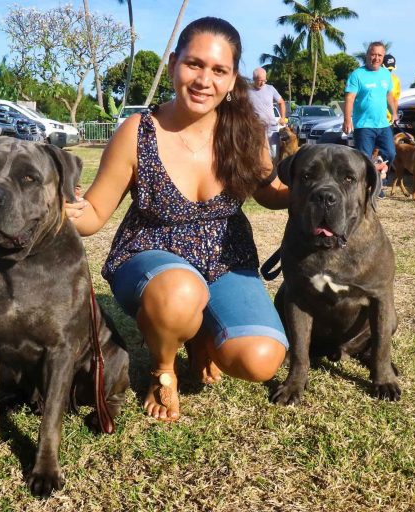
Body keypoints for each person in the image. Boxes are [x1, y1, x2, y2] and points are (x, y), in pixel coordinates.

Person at [65, 17, 289, 423]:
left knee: (260, 360)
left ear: (232, 78)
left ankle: (200, 334)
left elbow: (271, 195)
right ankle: (163, 367)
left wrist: (318, 187)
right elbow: (95, 213)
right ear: (173, 65)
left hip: (227, 260)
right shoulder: (138, 131)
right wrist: (61, 206)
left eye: (219, 70)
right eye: (194, 65)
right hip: (151, 260)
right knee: (181, 293)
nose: (205, 79)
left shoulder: (246, 133)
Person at [342, 41, 398, 197]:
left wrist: (394, 113)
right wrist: (347, 120)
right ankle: (367, 190)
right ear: (367, 55)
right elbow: (350, 98)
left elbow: (389, 96)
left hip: (383, 124)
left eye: (380, 55)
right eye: (373, 54)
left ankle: (379, 178)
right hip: (364, 125)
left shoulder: (386, 74)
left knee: (391, 153)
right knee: (364, 159)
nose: (376, 58)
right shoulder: (357, 75)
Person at [248, 67, 286, 159]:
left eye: (264, 80)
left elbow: (281, 102)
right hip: (257, 128)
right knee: (259, 156)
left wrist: (283, 117)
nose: (263, 83)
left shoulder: (270, 89)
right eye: (260, 80)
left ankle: (275, 173)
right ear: (254, 79)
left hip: (272, 127)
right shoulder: (247, 91)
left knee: (274, 155)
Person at [383, 54, 402, 123]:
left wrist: (394, 115)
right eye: (387, 68)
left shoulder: (396, 80)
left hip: (389, 121)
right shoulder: (374, 78)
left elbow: (395, 100)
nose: (389, 70)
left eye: (391, 69)